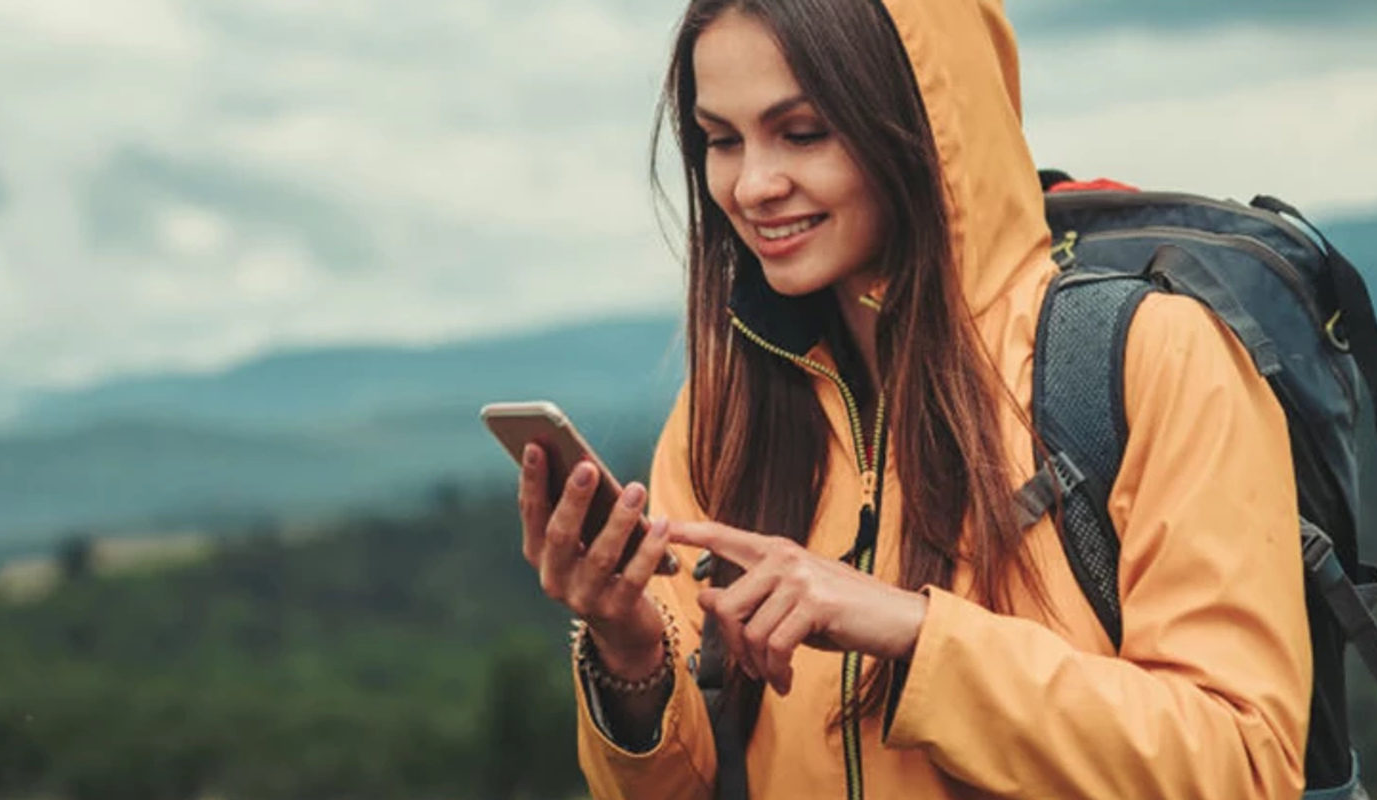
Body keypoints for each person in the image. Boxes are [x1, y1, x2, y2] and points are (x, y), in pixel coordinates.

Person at [513, 0, 1314, 798]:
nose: (752, 185)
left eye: (803, 133)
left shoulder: (1155, 358)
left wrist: (915, 632)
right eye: (722, 140)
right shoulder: (721, 413)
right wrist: (629, 654)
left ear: (925, 123)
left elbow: (1244, 765)